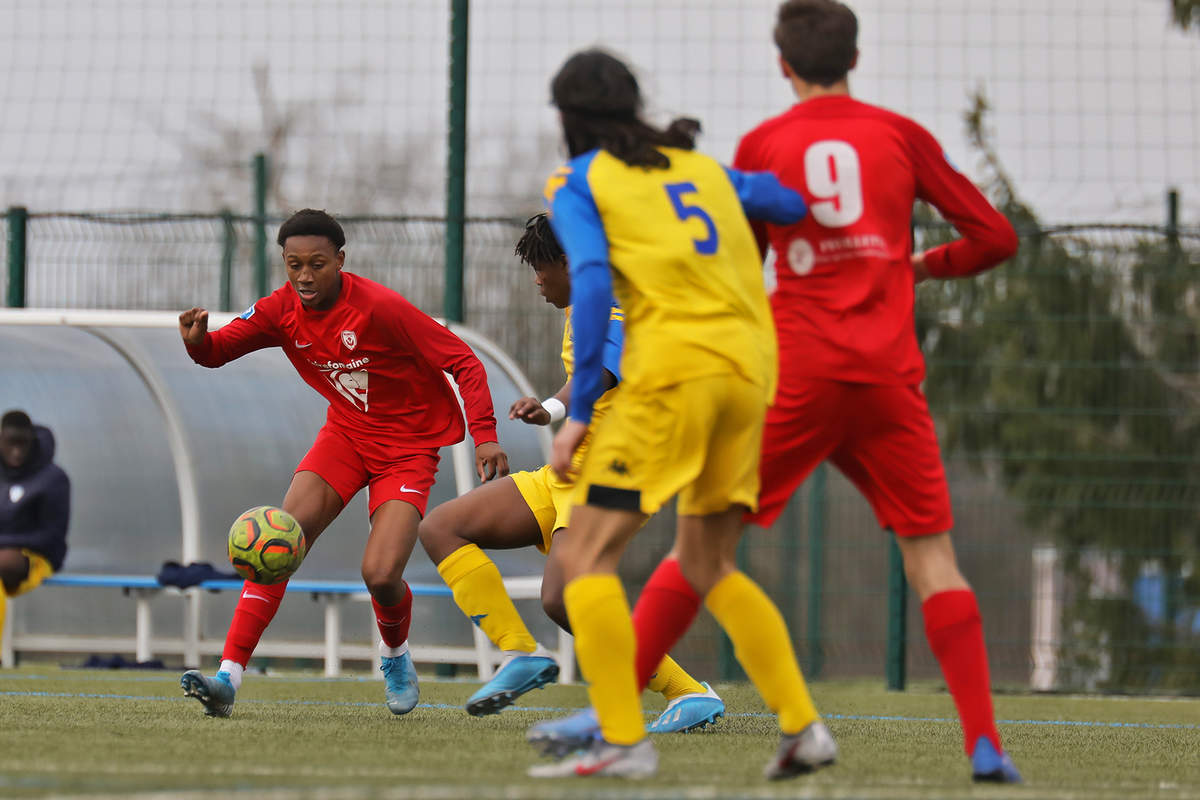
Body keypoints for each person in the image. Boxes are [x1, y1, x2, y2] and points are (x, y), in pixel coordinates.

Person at [728, 0, 1022, 783]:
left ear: (781, 63)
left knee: (704, 538)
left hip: (800, 375)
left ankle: (611, 717)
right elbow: (997, 237)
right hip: (890, 381)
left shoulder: (761, 145)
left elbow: (738, 275)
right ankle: (985, 745)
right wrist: (923, 267)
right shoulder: (901, 135)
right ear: (855, 59)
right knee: (934, 560)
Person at [524, 49, 835, 781]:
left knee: (587, 560)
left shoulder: (579, 181)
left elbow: (593, 279)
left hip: (671, 379)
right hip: (749, 374)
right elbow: (789, 204)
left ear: (567, 118)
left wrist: (579, 409)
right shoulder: (698, 169)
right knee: (708, 562)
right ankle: (803, 728)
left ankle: (624, 739)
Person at [177, 208, 508, 717]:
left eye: (317, 264)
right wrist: (197, 342)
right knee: (280, 540)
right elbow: (218, 351)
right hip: (346, 438)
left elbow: (463, 361)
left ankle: (394, 655)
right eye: (294, 265)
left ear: (340, 261)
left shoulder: (379, 307)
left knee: (379, 574)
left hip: (409, 449)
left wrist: (484, 436)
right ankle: (227, 679)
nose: (305, 276)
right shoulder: (279, 310)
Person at [418, 213, 724, 733]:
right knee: (441, 528)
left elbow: (600, 375)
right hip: (568, 474)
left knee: (563, 597)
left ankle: (688, 692)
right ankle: (522, 655)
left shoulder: (617, 302)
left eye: (541, 267)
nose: (536, 279)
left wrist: (552, 410)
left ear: (569, 262)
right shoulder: (587, 305)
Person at [0, 410, 70, 655]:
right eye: (11, 444)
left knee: (4, 561)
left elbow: (52, 537)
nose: (17, 451)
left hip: (37, 558)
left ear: (32, 440)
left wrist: (6, 544)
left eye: (23, 444)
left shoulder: (54, 479)